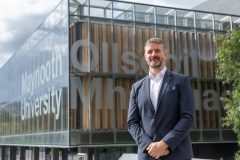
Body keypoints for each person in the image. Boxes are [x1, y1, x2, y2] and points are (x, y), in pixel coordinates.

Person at [127, 37, 195, 160]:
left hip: (177, 154)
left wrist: (165, 144)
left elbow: (187, 118)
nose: (153, 54)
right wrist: (150, 146)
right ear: (145, 56)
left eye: (157, 51)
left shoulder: (181, 81)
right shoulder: (137, 87)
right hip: (148, 155)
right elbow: (132, 123)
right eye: (150, 51)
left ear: (165, 53)